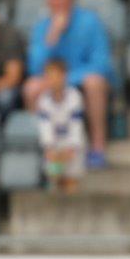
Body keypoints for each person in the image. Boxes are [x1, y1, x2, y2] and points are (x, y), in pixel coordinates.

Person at [23, 0, 113, 169]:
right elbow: (35, 68)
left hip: (82, 80)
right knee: (31, 87)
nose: (57, 2)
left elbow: (101, 64)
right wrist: (51, 37)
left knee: (95, 83)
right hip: (53, 82)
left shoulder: (90, 22)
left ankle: (98, 148)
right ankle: (45, 150)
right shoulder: (42, 27)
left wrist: (64, 79)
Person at [35, 58, 85, 193]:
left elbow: (76, 124)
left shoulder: (75, 97)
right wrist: (49, 147)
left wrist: (72, 147)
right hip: (54, 146)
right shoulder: (43, 100)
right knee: (54, 179)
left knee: (71, 181)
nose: (52, 80)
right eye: (49, 77)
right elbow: (44, 126)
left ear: (64, 76)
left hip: (72, 146)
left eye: (56, 76)